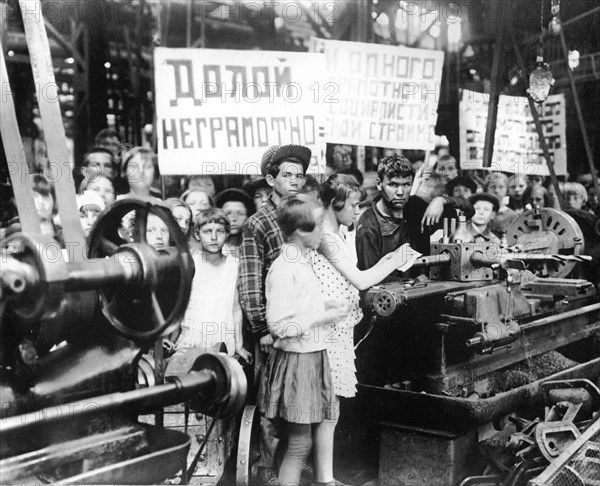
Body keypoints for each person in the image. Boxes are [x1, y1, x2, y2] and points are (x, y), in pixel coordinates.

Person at [309, 174, 418, 485]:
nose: (357, 212)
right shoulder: (326, 238)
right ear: (334, 204)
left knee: (332, 408)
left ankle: (325, 475)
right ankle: (325, 478)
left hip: (340, 329)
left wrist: (389, 259)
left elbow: (360, 274)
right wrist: (394, 259)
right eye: (353, 206)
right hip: (327, 331)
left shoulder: (340, 235)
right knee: (329, 408)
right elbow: (360, 280)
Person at [259, 194, 347, 486]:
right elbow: (279, 326)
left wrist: (328, 309)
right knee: (298, 445)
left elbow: (303, 311)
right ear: (300, 231)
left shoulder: (302, 261)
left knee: (304, 443)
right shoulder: (284, 268)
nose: (324, 230)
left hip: (312, 355)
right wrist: (321, 316)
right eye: (319, 224)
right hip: (297, 362)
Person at [238, 144, 311, 486]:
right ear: (271, 179)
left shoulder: (303, 216)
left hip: (303, 329)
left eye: (299, 175)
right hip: (272, 331)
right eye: (287, 175)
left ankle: (295, 467)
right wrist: (261, 329)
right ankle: (267, 465)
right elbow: (250, 278)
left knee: (297, 397)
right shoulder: (258, 223)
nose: (295, 180)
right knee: (270, 401)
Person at [356, 154, 473, 279]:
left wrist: (442, 200)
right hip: (394, 295)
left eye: (406, 185)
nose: (400, 192)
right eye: (393, 185)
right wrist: (414, 282)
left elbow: (468, 210)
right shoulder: (368, 226)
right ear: (379, 184)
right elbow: (369, 280)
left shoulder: (417, 206)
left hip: (425, 292)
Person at [174, 208, 252, 361]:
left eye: (220, 231)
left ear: (227, 234)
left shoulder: (234, 266)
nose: (214, 237)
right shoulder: (190, 264)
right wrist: (171, 339)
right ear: (197, 234)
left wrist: (239, 346)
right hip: (192, 339)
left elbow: (236, 309)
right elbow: (179, 307)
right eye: (207, 231)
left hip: (222, 342)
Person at [215, 188, 254, 258]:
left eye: (240, 214)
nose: (234, 218)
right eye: (228, 213)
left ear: (248, 217)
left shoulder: (253, 248)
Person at [485, 172, 517, 238]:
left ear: (507, 190)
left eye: (501, 187)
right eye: (492, 187)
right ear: (486, 189)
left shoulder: (512, 216)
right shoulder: (480, 212)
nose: (496, 190)